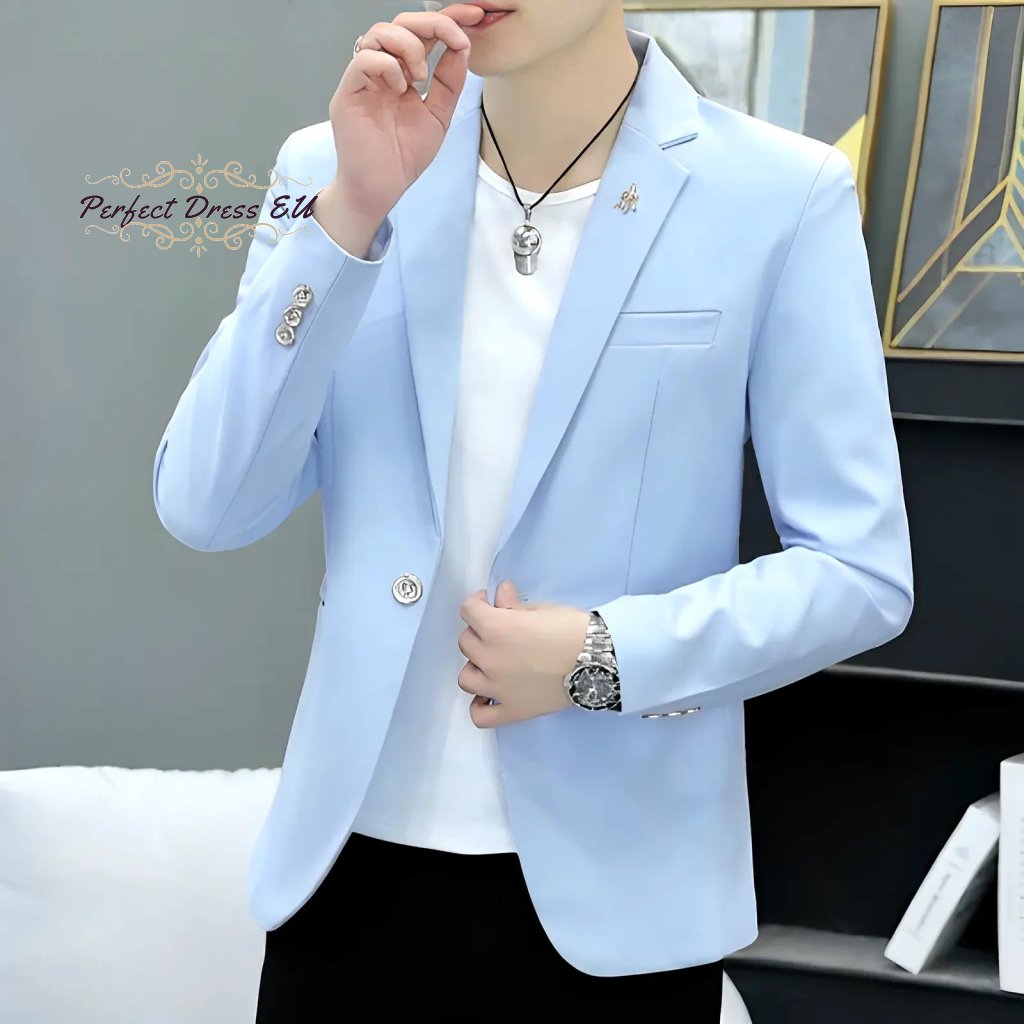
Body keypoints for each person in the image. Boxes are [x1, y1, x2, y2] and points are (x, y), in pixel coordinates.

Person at [153, 1, 914, 1017]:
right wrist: (347, 219)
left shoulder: (779, 193)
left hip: (621, 906)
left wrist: (604, 654)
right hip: (343, 881)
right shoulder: (329, 168)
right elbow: (208, 504)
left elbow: (860, 572)